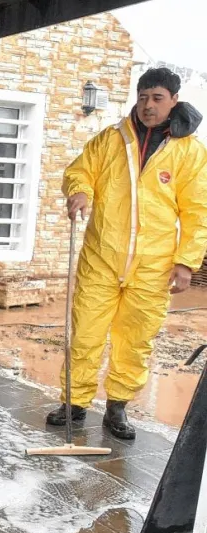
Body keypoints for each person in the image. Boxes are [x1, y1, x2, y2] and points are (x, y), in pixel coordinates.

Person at [48, 68, 207, 439]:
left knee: (135, 339)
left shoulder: (191, 153)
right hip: (101, 257)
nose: (148, 106)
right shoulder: (110, 140)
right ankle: (74, 402)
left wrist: (186, 262)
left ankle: (117, 408)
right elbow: (79, 171)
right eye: (143, 97)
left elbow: (198, 211)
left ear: (174, 101)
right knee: (85, 333)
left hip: (154, 265)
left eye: (157, 98)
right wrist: (80, 190)